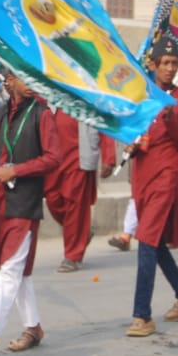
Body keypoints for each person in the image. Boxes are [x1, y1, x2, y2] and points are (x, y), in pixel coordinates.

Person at [0, 72, 59, 356]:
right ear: (9, 81)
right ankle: (33, 328)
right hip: (2, 198)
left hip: (26, 201)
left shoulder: (42, 114)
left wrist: (17, 170)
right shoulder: (4, 113)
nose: (30, 82)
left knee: (10, 269)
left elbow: (53, 158)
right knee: (18, 272)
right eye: (22, 76)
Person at [125, 40, 178, 338]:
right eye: (164, 62)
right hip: (142, 177)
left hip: (167, 179)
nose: (170, 68)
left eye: (174, 62)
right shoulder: (141, 97)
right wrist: (128, 144)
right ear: (153, 65)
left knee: (145, 240)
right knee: (152, 241)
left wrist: (170, 117)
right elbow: (130, 132)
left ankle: (142, 315)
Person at [46, 108, 115, 272]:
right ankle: (81, 232)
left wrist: (109, 158)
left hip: (79, 159)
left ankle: (72, 256)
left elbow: (105, 125)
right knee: (52, 198)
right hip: (53, 159)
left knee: (75, 205)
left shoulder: (88, 96)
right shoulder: (52, 93)